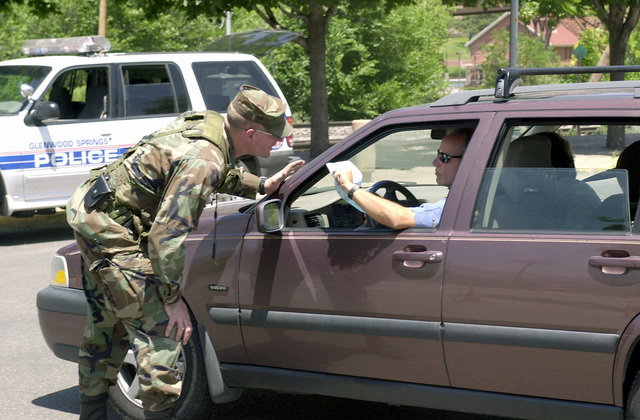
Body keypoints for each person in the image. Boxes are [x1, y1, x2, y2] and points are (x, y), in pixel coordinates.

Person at [66, 85, 304, 420]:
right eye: (274, 135)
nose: (279, 141)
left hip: (95, 212)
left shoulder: (212, 129)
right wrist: (172, 298)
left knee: (109, 322)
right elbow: (167, 235)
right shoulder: (203, 161)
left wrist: (262, 185)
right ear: (250, 134)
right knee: (163, 330)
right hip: (110, 229)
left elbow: (215, 170)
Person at [333, 129, 470, 229]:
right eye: (437, 154)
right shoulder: (474, 199)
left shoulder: (465, 205)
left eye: (444, 157)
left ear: (469, 162)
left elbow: (398, 218)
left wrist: (349, 187)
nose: (435, 162)